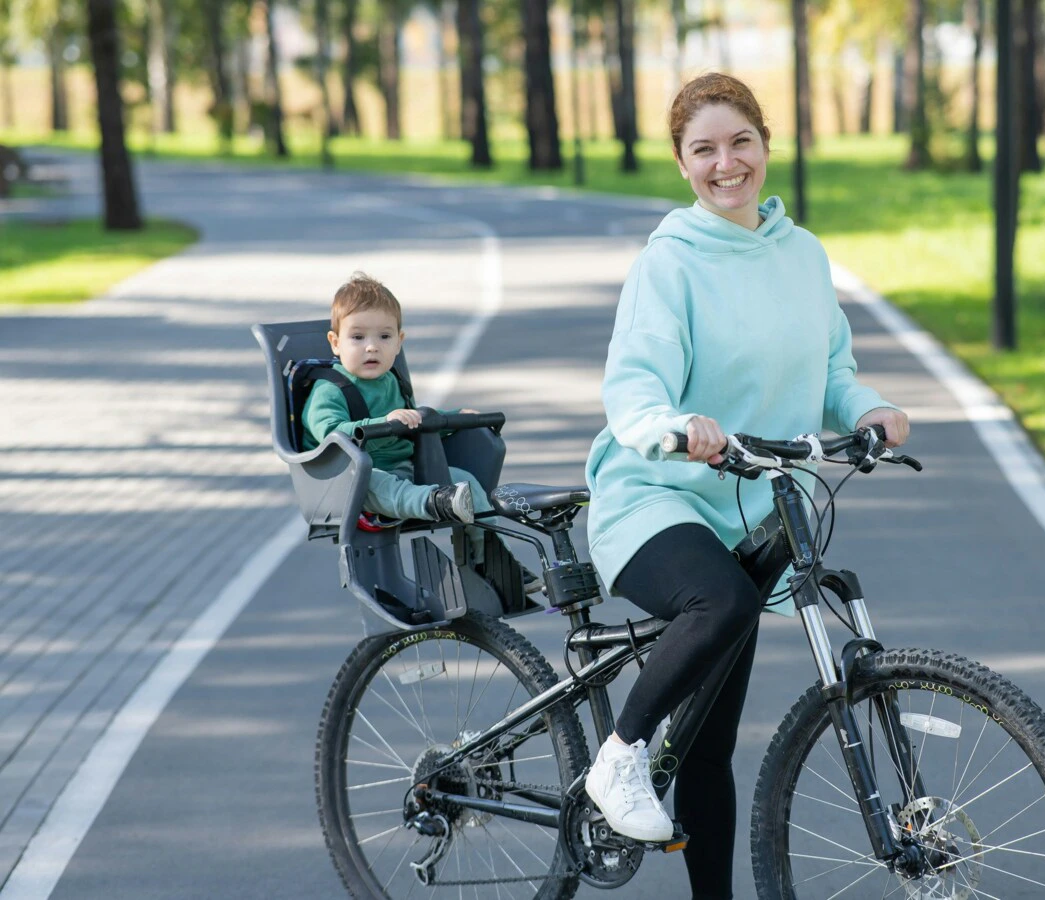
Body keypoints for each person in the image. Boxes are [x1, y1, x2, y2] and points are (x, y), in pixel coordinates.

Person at [582, 73, 910, 899]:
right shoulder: (669, 264)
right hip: (655, 495)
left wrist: (869, 407)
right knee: (721, 603)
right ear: (681, 164)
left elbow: (833, 367)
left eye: (740, 143)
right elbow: (632, 388)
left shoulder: (802, 254)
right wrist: (671, 426)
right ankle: (617, 762)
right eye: (705, 150)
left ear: (765, 145)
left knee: (708, 750)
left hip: (752, 502)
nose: (726, 164)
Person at [302, 272, 540, 592]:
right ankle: (436, 502)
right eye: (357, 337)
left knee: (468, 483)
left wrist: (454, 418)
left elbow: (417, 422)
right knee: (383, 483)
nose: (372, 347)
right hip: (352, 478)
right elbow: (332, 435)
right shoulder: (329, 389)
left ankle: (494, 559)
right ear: (335, 343)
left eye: (384, 337)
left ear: (399, 342)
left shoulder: (392, 380)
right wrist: (385, 421)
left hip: (407, 467)